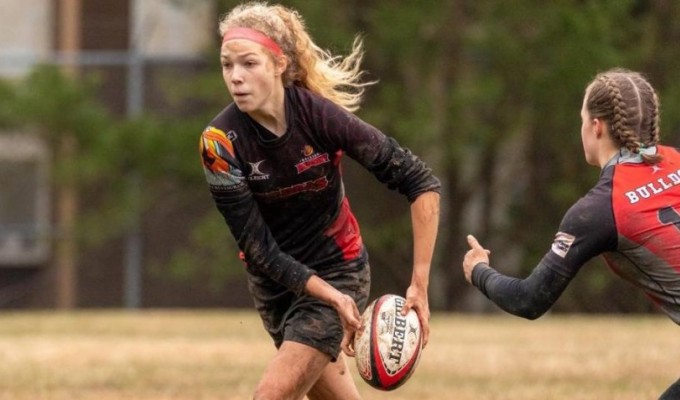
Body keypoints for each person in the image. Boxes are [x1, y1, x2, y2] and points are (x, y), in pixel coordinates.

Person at [198, 2, 440, 399]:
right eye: (227, 65)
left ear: (279, 64)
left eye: (249, 64)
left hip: (338, 269)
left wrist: (419, 285)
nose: (236, 77)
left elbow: (421, 182)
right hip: (275, 285)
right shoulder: (219, 144)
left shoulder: (320, 117)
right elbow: (259, 251)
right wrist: (331, 299)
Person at [462, 68, 680, 399]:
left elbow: (529, 299)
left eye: (582, 119)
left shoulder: (600, 209)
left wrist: (478, 271)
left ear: (596, 126)